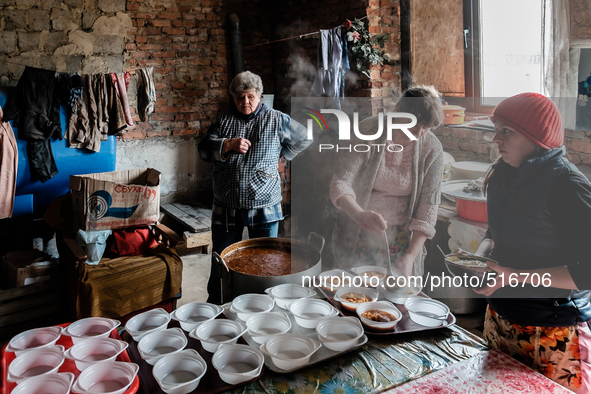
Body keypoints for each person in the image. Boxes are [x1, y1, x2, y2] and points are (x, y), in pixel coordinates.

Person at [472, 92, 591, 392]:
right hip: (501, 318)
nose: (496, 139)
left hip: (552, 331)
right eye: (497, 129)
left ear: (535, 137)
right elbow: (496, 232)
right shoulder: (502, 173)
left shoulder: (567, 185)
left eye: (506, 131)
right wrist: (479, 256)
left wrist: (512, 276)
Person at [198, 71, 312, 304]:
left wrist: (283, 156)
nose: (245, 102)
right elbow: (202, 150)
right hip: (226, 205)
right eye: (240, 97)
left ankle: (264, 306)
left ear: (260, 96)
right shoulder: (223, 120)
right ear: (233, 98)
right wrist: (227, 144)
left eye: (250, 96)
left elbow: (305, 137)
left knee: (267, 261)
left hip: (265, 204)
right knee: (222, 260)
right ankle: (218, 305)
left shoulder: (277, 119)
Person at [330, 85, 444, 278]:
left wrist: (410, 257)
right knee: (354, 294)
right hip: (359, 229)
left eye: (425, 128)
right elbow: (340, 183)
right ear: (398, 110)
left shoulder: (432, 149)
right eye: (414, 124)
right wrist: (359, 215)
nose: (418, 133)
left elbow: (428, 211)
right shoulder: (368, 130)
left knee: (395, 299)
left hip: (402, 238)